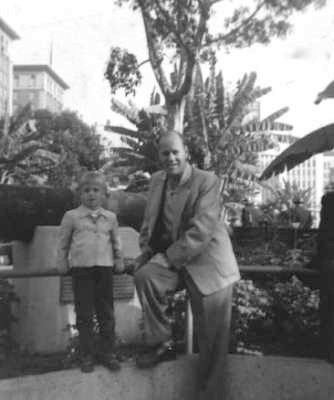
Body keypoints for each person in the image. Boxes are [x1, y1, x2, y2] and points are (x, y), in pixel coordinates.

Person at [130, 131, 240, 399]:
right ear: (159, 157)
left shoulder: (207, 181)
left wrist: (167, 257)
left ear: (186, 152)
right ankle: (160, 343)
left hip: (210, 265)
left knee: (212, 345)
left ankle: (211, 395)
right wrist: (145, 254)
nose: (170, 158)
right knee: (146, 277)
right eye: (165, 153)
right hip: (177, 262)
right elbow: (151, 223)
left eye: (175, 152)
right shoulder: (157, 181)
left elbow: (201, 230)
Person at [57, 171, 124, 373]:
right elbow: (63, 243)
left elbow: (116, 242)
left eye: (96, 190)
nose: (91, 194)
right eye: (86, 190)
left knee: (106, 312)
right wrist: (61, 261)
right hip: (81, 270)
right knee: (84, 313)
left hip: (104, 269)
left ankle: (108, 352)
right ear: (80, 194)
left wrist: (119, 259)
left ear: (104, 194)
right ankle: (86, 354)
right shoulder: (71, 217)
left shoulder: (110, 218)